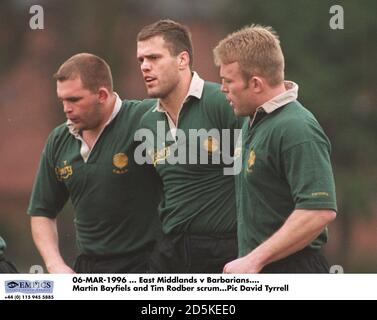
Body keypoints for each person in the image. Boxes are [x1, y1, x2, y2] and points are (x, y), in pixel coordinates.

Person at [213, 25, 338, 273]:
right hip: (261, 268)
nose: (222, 89)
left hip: (294, 271)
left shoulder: (297, 128)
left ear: (256, 84)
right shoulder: (253, 120)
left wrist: (254, 259)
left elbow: (319, 211)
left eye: (228, 81)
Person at [28, 53, 161, 273]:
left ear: (101, 94)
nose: (66, 109)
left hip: (146, 266)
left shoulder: (144, 118)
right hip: (88, 267)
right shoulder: (59, 140)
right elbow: (42, 211)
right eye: (62, 100)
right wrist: (55, 265)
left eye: (74, 99)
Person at [136, 19, 243, 273]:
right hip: (170, 252)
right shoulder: (148, 121)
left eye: (153, 58)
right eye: (141, 60)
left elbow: (253, 175)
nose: (145, 67)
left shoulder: (222, 103)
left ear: (182, 60)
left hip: (225, 250)